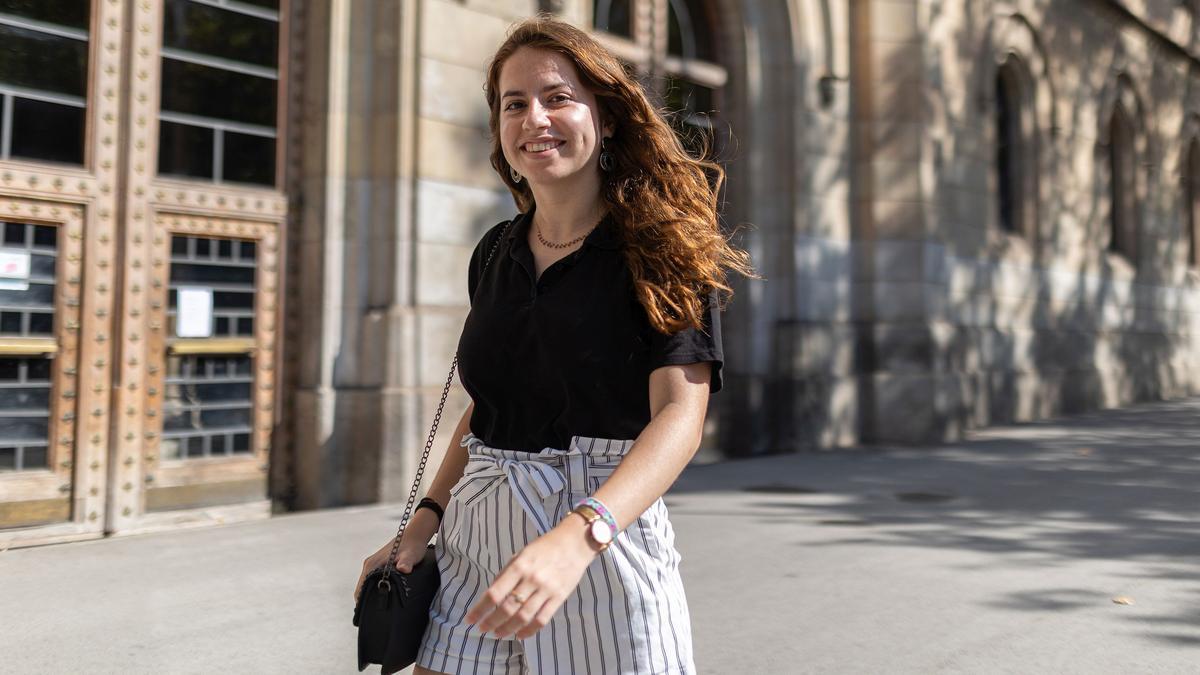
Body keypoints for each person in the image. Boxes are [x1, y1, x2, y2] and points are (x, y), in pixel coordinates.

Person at [355, 15, 753, 674]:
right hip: (475, 541)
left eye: (557, 97)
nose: (534, 118)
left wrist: (578, 535)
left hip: (602, 539)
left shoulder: (660, 248)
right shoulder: (496, 251)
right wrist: (426, 516)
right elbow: (487, 409)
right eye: (515, 104)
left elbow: (680, 416)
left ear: (607, 118)